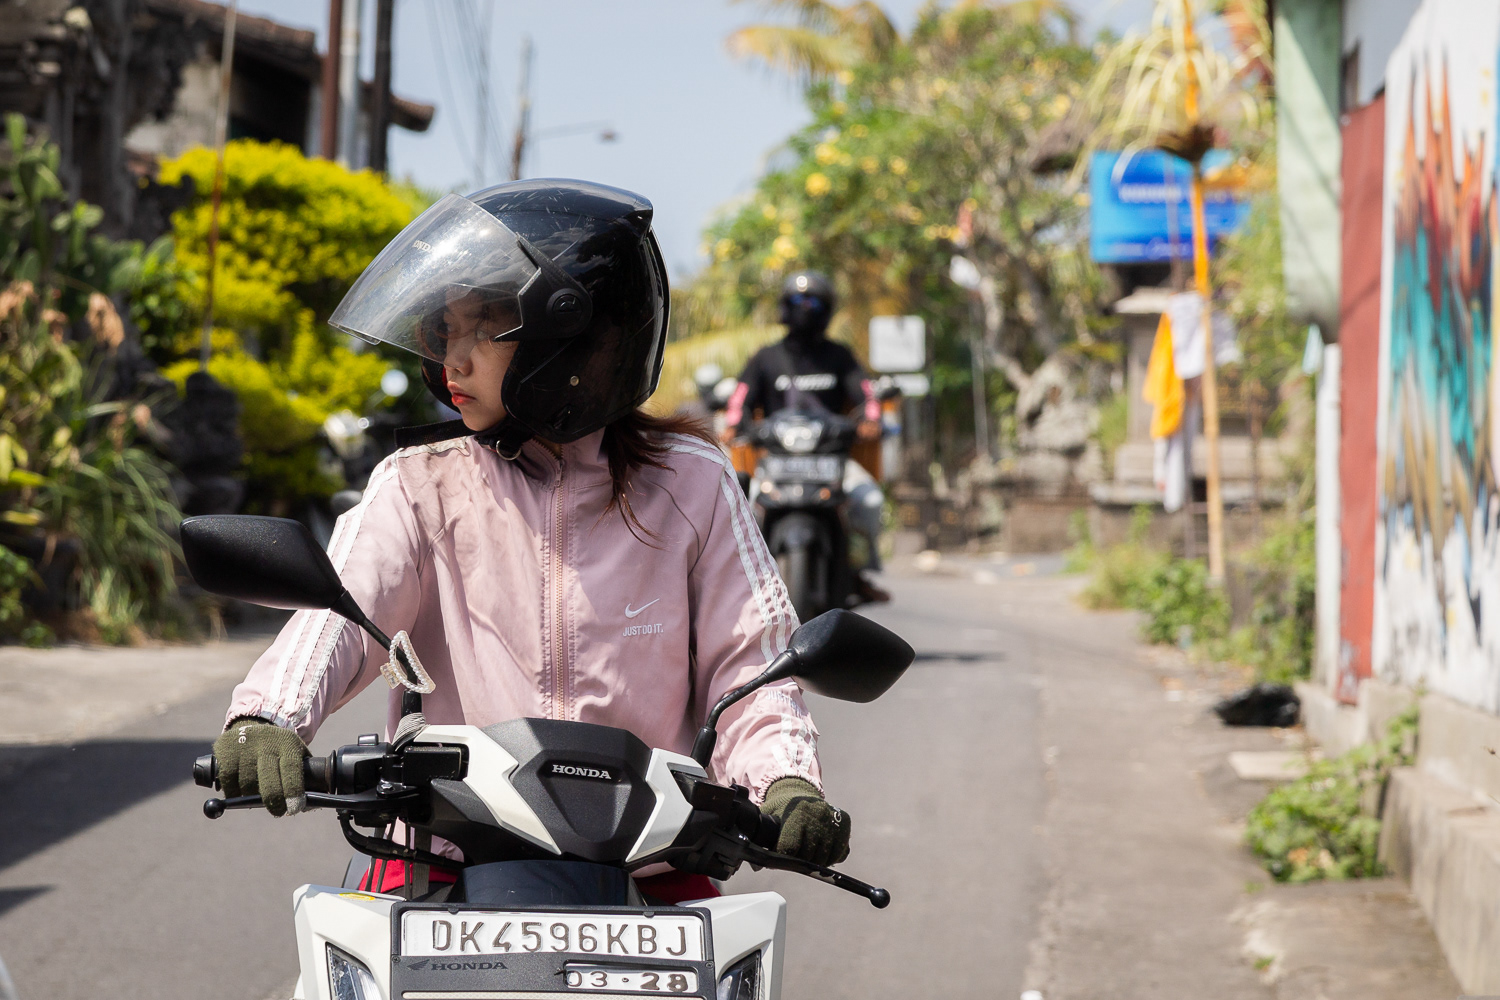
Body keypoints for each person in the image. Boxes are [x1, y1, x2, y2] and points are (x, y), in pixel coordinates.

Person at [210, 180, 850, 903]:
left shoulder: (692, 482)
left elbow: (750, 663)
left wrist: (784, 781)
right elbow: (343, 611)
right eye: (445, 331)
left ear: (572, 341)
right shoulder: (421, 482)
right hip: (445, 860)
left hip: (649, 871)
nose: (453, 361)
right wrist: (269, 716)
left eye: (483, 330)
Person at [723, 271, 889, 602]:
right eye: (798, 300)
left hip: (833, 462)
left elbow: (867, 396)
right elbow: (739, 400)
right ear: (785, 306)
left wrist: (872, 420)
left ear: (827, 309)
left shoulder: (840, 356)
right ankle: (735, 580)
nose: (805, 308)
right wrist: (735, 424)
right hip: (775, 465)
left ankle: (858, 572)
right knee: (739, 512)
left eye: (813, 301)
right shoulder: (765, 358)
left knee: (870, 502)